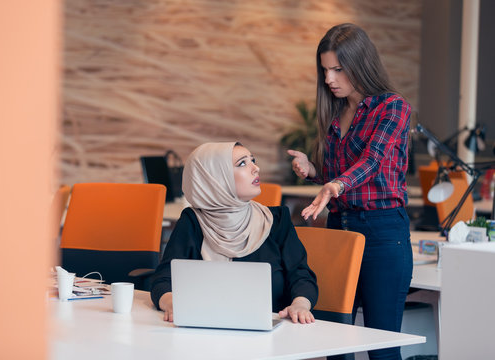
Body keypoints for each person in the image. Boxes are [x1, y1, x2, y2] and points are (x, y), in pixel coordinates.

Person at [288, 23, 412, 360]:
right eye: (325, 70)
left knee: (381, 348)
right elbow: (337, 176)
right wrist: (316, 173)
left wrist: (337, 183)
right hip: (340, 230)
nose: (329, 79)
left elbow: (372, 161)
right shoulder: (336, 112)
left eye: (338, 69)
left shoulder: (392, 107)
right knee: (334, 345)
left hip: (383, 233)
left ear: (360, 64)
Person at [150, 142, 318, 324]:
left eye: (253, 160)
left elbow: (301, 276)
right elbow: (164, 279)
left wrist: (300, 304)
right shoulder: (192, 221)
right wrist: (171, 302)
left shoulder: (277, 220)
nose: (256, 168)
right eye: (242, 164)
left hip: (271, 338)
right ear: (215, 178)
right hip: (206, 334)